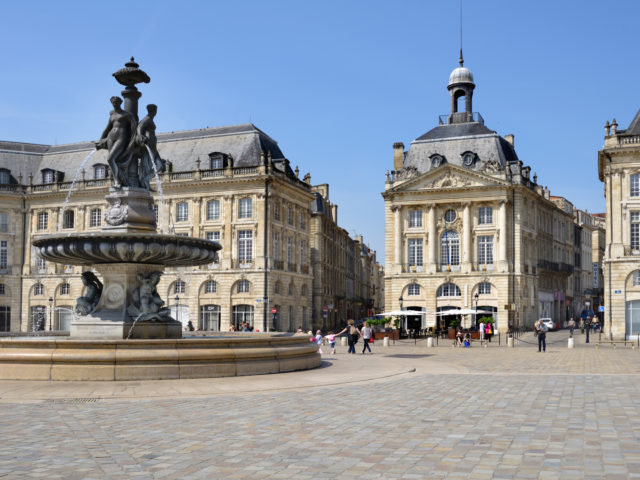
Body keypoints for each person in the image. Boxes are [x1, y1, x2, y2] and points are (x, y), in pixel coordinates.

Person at [96, 96, 137, 188]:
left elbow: (134, 129)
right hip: (111, 137)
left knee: (110, 158)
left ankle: (118, 181)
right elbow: (107, 129)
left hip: (121, 138)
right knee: (113, 160)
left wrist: (133, 140)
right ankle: (118, 180)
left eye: (116, 102)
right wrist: (101, 140)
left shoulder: (127, 115)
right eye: (113, 103)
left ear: (120, 103)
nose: (114, 104)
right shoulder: (112, 115)